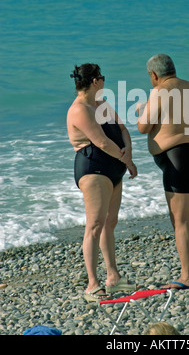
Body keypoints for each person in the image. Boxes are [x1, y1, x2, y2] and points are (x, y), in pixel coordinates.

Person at [137, 54, 189, 290]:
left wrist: (142, 109)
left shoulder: (159, 91)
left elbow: (143, 127)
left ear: (154, 75)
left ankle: (187, 276)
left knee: (180, 222)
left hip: (179, 160)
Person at [67, 63, 138, 301]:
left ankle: (113, 278)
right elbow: (101, 142)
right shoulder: (80, 109)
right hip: (94, 167)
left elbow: (121, 128)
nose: (104, 81)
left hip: (113, 164)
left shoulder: (100, 104)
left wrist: (128, 150)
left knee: (110, 222)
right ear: (95, 81)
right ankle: (92, 284)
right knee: (95, 224)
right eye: (103, 78)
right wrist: (127, 160)